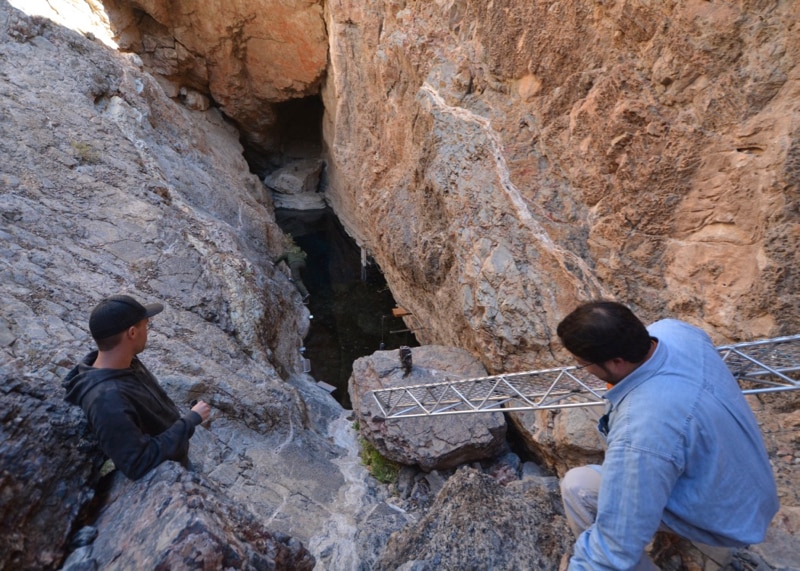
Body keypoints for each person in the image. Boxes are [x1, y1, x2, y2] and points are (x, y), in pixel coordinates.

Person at [556, 300, 779, 570]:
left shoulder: (642, 428)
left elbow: (615, 544)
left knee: (578, 488)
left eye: (583, 364)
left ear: (617, 362)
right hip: (754, 490)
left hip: (729, 520)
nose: (584, 369)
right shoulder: (675, 331)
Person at [64, 294, 211, 480]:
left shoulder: (124, 361)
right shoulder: (107, 400)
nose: (147, 331)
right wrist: (190, 421)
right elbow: (138, 462)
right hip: (164, 475)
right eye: (146, 325)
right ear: (132, 333)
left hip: (174, 453)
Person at [275, 233, 310, 302]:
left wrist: (274, 263)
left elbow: (281, 257)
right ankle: (303, 292)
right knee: (299, 279)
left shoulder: (288, 252)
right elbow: (305, 256)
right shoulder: (299, 251)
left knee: (298, 280)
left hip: (294, 264)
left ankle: (306, 294)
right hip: (303, 264)